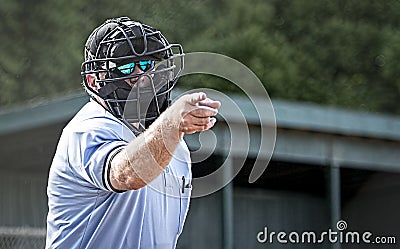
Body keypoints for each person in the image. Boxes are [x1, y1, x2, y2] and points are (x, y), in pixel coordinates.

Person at [46, 16, 220, 249]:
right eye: (126, 67)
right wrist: (171, 123)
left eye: (147, 65)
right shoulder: (89, 128)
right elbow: (126, 175)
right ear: (94, 80)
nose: (142, 77)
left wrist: (170, 127)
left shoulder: (177, 145)